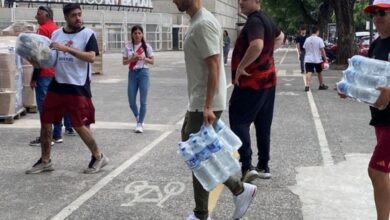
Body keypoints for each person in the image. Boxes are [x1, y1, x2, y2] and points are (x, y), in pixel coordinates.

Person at [172, 1, 257, 219]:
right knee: (200, 154)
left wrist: (208, 105)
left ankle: (203, 212)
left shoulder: (204, 23)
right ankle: (237, 190)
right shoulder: (196, 21)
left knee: (197, 156)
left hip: (205, 103)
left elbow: (214, 64)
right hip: (198, 101)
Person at [26, 3, 109, 174]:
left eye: (79, 14)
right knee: (46, 121)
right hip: (58, 84)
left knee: (79, 125)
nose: (78, 18)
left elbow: (91, 57)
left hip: (77, 86)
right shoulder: (57, 34)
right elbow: (52, 60)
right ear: (66, 17)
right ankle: (45, 160)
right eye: (74, 15)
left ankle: (99, 156)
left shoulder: (88, 34)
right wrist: (37, 62)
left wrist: (67, 48)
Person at [229, 0, 284, 183]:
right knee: (263, 123)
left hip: (251, 83)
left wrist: (241, 66)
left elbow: (257, 45)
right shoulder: (266, 19)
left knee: (238, 121)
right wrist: (267, 56)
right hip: (268, 82)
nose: (240, 2)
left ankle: (247, 166)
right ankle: (263, 165)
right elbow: (280, 36)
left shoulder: (254, 21)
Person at [356, 1, 390, 219]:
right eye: (374, 14)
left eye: (382, 13)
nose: (376, 17)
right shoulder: (377, 44)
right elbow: (369, 79)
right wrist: (350, 89)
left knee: (376, 171)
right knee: (381, 172)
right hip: (381, 118)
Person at [28, 6, 75, 146]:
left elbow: (39, 55)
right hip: (57, 72)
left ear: (46, 15)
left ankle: (47, 136)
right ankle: (57, 133)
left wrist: (34, 77)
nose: (36, 17)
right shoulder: (56, 29)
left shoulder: (42, 30)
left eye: (39, 14)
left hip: (44, 73)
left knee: (44, 106)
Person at [122, 25, 154, 133]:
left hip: (143, 73)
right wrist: (133, 58)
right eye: (135, 33)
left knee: (143, 101)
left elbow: (152, 61)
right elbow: (124, 62)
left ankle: (140, 124)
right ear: (132, 34)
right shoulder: (128, 46)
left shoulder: (146, 47)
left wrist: (144, 58)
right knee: (131, 101)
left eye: (139, 33)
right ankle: (138, 116)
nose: (137, 35)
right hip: (132, 73)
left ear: (142, 34)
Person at [303, 26, 328, 92]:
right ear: (317, 32)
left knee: (309, 72)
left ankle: (307, 86)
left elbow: (305, 48)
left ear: (311, 32)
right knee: (319, 72)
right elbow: (322, 50)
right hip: (317, 59)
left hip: (308, 59)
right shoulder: (319, 39)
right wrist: (325, 59)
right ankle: (321, 85)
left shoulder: (307, 39)